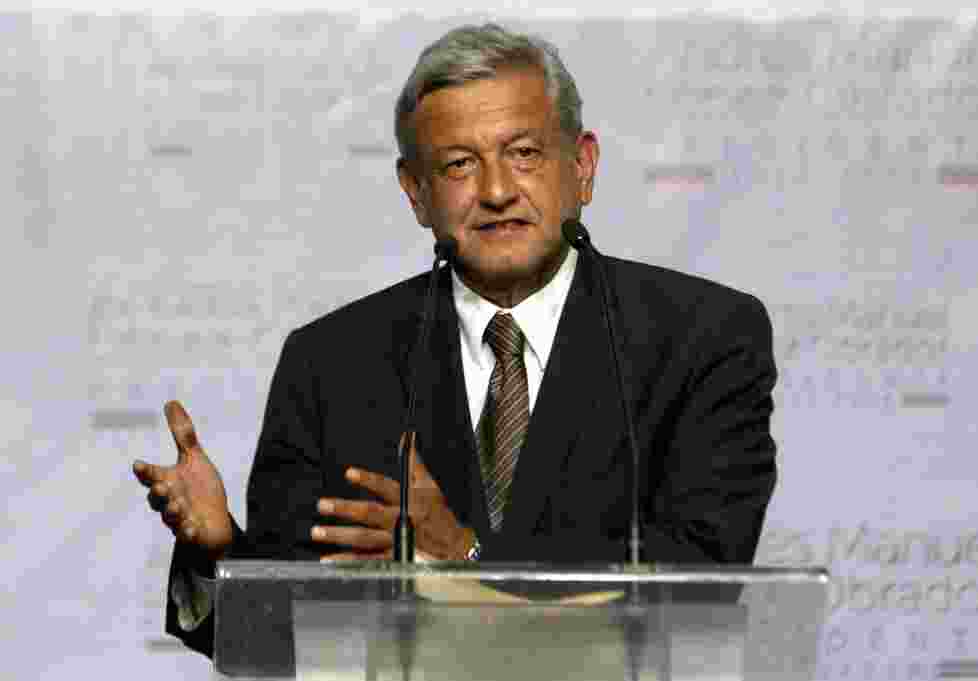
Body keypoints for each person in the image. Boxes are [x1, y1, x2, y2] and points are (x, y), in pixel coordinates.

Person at [133, 23, 778, 659]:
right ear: (416, 192)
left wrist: (465, 556)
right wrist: (221, 551)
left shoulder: (703, 339)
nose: (497, 192)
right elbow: (283, 647)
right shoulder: (330, 364)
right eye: (459, 165)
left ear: (581, 167)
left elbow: (702, 583)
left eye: (523, 153)